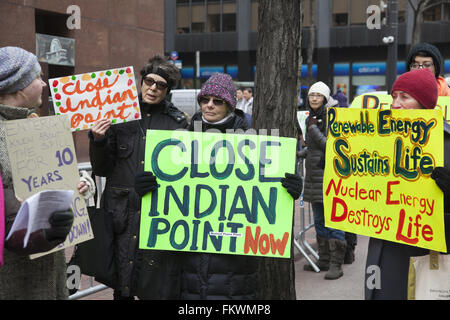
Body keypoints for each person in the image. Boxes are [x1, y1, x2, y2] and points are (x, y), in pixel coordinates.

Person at [139, 73, 302, 299]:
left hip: (235, 268)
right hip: (189, 266)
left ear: (230, 105)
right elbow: (168, 192)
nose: (209, 105)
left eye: (218, 101)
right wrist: (147, 187)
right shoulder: (181, 139)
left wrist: (291, 189)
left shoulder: (252, 142)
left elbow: (268, 194)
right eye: (205, 100)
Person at [89, 55, 188, 300]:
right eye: (149, 81)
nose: (153, 88)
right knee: (122, 283)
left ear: (168, 90)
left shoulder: (178, 125)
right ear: (141, 81)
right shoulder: (119, 115)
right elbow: (102, 167)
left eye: (161, 85)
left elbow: (184, 177)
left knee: (153, 284)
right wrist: (98, 140)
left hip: (157, 218)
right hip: (120, 216)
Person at [365, 68, 450, 299]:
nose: (396, 103)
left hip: (423, 258)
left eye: (405, 97)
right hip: (383, 253)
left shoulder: (446, 144)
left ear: (424, 103)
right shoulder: (378, 140)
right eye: (394, 96)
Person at [0, 46, 78, 299]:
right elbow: (10, 218)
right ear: (19, 86)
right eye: (38, 77)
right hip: (16, 280)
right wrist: (46, 231)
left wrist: (76, 188)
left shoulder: (36, 126)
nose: (44, 84)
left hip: (48, 268)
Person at [298, 81, 347, 280]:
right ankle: (324, 259)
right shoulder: (314, 117)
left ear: (326, 98)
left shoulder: (333, 117)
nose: (315, 98)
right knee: (319, 221)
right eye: (312, 95)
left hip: (330, 176)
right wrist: (302, 153)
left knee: (334, 220)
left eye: (319, 95)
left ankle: (337, 264)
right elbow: (315, 147)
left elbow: (332, 145)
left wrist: (312, 131)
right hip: (314, 177)